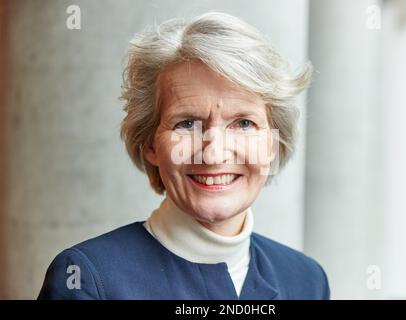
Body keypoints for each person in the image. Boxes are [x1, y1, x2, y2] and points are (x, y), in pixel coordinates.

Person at [38, 12, 330, 300]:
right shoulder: (88, 279)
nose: (214, 153)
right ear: (150, 144)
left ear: (272, 144)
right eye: (187, 123)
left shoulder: (307, 280)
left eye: (243, 123)